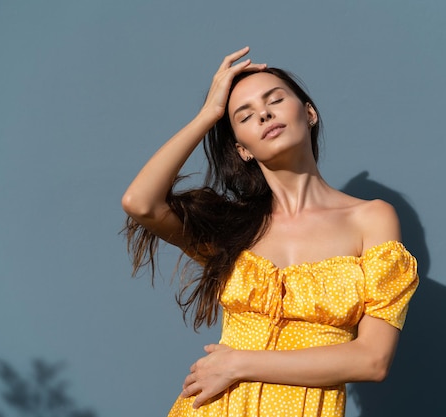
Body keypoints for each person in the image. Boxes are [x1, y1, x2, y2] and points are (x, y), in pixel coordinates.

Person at [121, 46, 419, 417]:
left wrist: (239, 364)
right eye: (244, 116)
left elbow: (373, 360)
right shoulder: (233, 230)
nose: (263, 113)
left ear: (309, 112)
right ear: (242, 149)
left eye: (275, 99)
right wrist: (208, 114)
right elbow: (140, 202)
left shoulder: (371, 219)